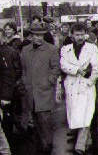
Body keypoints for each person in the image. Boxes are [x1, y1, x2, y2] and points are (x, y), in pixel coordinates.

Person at [60, 23, 98, 155]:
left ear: (85, 34)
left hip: (86, 86)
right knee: (76, 116)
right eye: (77, 34)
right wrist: (77, 69)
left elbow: (96, 68)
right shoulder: (65, 49)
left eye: (82, 34)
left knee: (86, 114)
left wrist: (90, 81)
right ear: (72, 35)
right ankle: (87, 140)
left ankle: (80, 146)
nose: (80, 37)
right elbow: (63, 65)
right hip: (71, 86)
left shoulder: (92, 48)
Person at [21, 22, 60, 153]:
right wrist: (25, 83)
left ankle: (48, 150)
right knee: (34, 128)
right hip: (30, 95)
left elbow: (56, 68)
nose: (39, 38)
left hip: (45, 94)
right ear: (31, 36)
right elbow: (23, 69)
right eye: (36, 35)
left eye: (41, 35)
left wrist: (49, 81)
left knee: (46, 127)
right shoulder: (25, 50)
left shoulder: (52, 49)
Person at [0, 28, 22, 149]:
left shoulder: (8, 52)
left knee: (6, 124)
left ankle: (9, 146)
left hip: (5, 95)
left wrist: (6, 96)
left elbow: (11, 75)